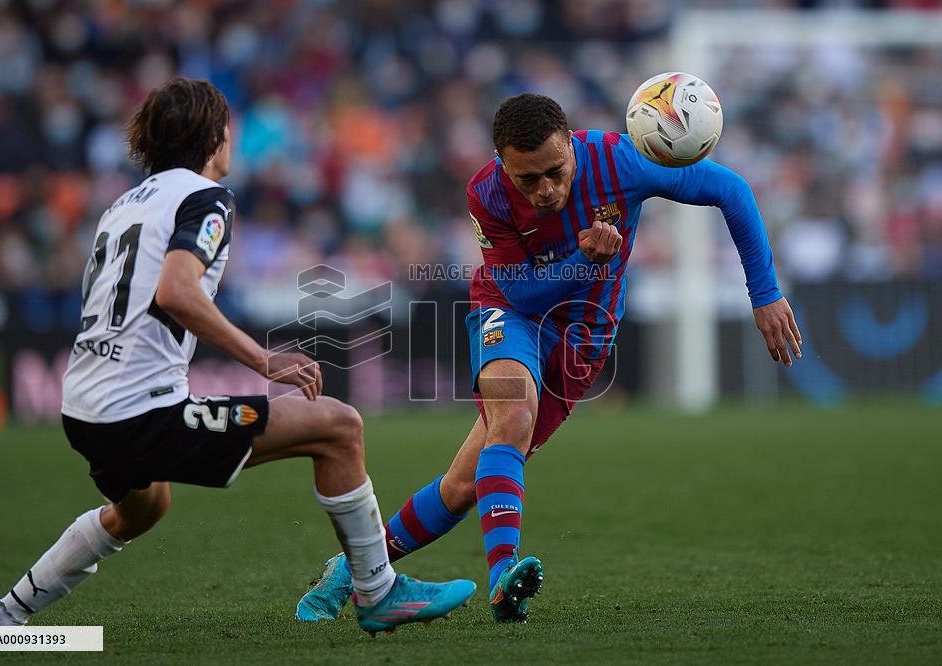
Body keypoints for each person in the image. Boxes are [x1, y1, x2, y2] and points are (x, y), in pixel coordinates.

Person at [0, 77, 474, 636]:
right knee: (339, 426)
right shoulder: (206, 198)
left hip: (83, 406)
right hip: (138, 411)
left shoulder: (122, 206)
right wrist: (263, 360)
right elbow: (176, 291)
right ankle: (378, 592)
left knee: (143, 508)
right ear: (213, 138)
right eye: (228, 130)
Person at [296, 92, 802, 624]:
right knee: (513, 415)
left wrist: (765, 293)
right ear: (502, 164)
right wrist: (585, 259)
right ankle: (503, 577)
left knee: (463, 486)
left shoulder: (621, 161)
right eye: (528, 179)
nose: (546, 190)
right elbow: (524, 294)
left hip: (585, 334)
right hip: (511, 311)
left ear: (570, 146)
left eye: (555, 172)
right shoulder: (486, 192)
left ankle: (350, 571)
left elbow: (732, 190)